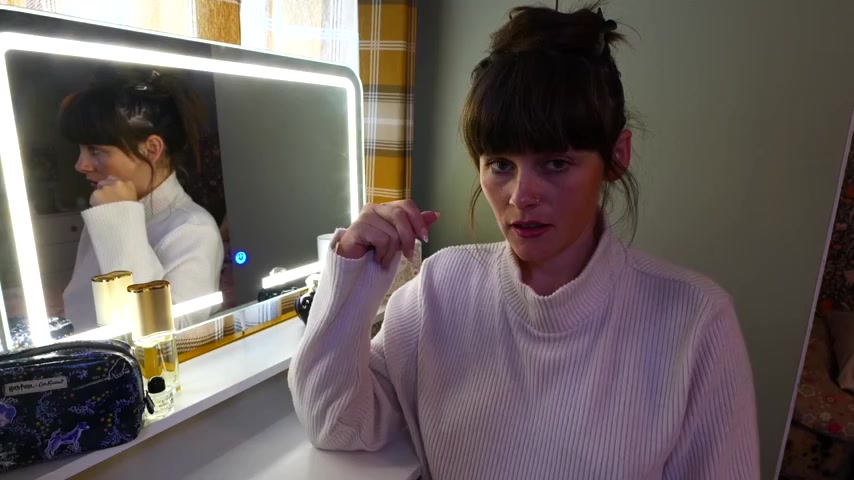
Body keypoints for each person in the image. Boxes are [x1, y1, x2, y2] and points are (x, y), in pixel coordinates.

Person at [289, 5, 759, 480]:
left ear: (617, 156)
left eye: (556, 163)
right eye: (500, 165)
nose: (521, 196)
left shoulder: (696, 323)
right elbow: (335, 422)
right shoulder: (441, 289)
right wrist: (355, 268)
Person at [59, 69, 224, 331]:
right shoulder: (107, 212)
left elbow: (168, 332)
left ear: (152, 149)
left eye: (95, 151)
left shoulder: (193, 229)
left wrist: (119, 216)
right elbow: (80, 307)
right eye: (80, 150)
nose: (81, 165)